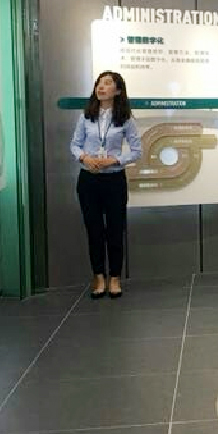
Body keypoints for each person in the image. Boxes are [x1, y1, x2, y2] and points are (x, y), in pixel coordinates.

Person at [70, 71, 142, 299]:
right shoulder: (85, 117)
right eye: (99, 83)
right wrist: (85, 158)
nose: (101, 87)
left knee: (115, 230)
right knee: (94, 230)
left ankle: (115, 278)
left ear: (117, 90)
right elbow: (74, 145)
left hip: (114, 180)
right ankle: (98, 276)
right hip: (88, 180)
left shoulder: (125, 119)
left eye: (107, 83)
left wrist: (115, 160)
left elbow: (136, 151)